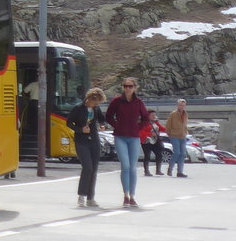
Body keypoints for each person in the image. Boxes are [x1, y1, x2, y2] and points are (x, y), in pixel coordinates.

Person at [105, 77, 150, 208]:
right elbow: (109, 116)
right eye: (125, 86)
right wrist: (116, 125)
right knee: (125, 166)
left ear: (135, 87)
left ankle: (132, 196)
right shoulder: (117, 101)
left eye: (130, 86)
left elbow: (146, 118)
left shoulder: (139, 102)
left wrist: (139, 128)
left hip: (134, 137)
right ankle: (126, 195)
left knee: (133, 167)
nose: (127, 88)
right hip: (120, 136)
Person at [66, 86, 106, 208]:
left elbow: (102, 119)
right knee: (87, 167)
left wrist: (102, 125)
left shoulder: (96, 109)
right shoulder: (78, 108)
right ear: (89, 98)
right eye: (95, 102)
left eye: (98, 103)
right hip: (81, 141)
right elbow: (69, 123)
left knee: (94, 169)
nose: (96, 105)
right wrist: (80, 129)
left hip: (94, 140)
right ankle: (81, 195)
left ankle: (91, 198)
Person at [165, 98, 190, 177]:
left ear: (185, 106)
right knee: (177, 152)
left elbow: (185, 124)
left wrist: (185, 132)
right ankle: (170, 168)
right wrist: (169, 133)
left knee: (182, 154)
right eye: (180, 105)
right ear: (177, 105)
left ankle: (180, 172)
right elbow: (168, 124)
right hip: (174, 135)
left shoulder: (185, 114)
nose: (181, 106)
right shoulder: (173, 114)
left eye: (183, 105)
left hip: (182, 136)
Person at [139, 110, 163, 177]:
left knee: (159, 154)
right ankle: (146, 171)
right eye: (152, 115)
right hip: (146, 141)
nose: (154, 116)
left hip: (155, 140)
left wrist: (169, 130)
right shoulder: (143, 123)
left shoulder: (155, 122)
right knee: (147, 156)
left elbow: (161, 128)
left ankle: (158, 170)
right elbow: (140, 132)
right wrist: (150, 134)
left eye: (154, 115)